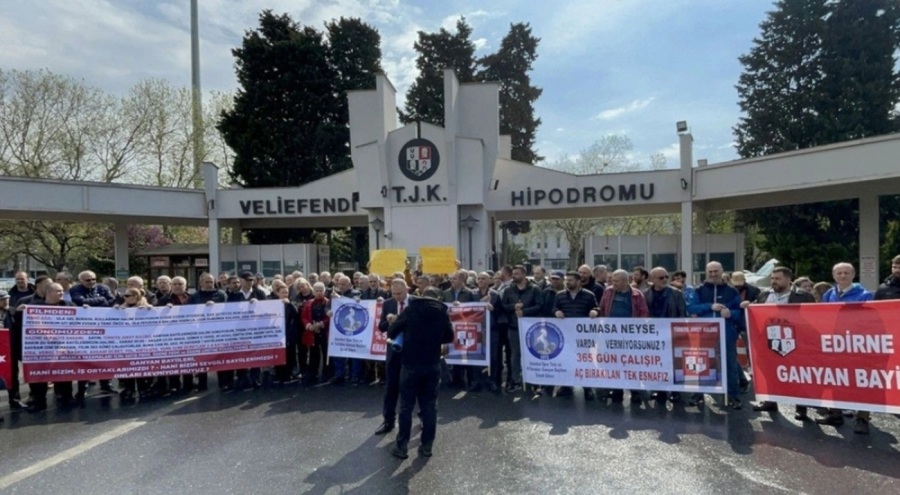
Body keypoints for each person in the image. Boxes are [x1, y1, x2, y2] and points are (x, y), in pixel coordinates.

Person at [387, 287, 453, 459]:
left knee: (406, 406)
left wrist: (402, 327)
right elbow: (449, 337)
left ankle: (402, 447)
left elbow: (391, 332)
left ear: (422, 296)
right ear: (438, 298)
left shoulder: (410, 310)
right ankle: (426, 447)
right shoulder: (442, 313)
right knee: (430, 406)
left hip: (410, 364)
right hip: (432, 363)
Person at [751, 266, 816, 419]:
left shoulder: (803, 297)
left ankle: (801, 407)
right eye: (772, 278)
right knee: (769, 372)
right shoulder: (764, 295)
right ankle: (770, 401)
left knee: (797, 374)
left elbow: (812, 318)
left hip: (794, 341)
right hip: (769, 340)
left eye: (778, 278)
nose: (774, 281)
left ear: (788, 279)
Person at [817, 262, 874, 433]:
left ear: (853, 275)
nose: (842, 276)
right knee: (835, 378)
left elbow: (870, 321)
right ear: (834, 276)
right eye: (839, 273)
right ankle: (835, 414)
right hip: (834, 344)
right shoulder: (829, 294)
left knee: (861, 381)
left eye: (846, 273)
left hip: (857, 345)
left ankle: (862, 418)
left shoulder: (865, 295)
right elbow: (821, 317)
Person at [687, 261, 743, 410]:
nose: (713, 274)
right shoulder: (698, 290)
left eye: (716, 271)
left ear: (722, 271)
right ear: (706, 272)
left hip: (726, 332)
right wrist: (709, 306)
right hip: (703, 332)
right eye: (710, 271)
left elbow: (740, 312)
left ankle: (733, 395)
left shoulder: (732, 291)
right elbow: (691, 307)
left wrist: (731, 314)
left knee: (729, 364)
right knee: (701, 363)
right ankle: (698, 394)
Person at [21, 283, 76, 411]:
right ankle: (39, 402)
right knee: (39, 375)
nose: (62, 293)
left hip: (62, 347)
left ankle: (66, 398)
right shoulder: (34, 307)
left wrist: (86, 309)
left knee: (64, 373)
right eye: (58, 291)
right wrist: (19, 311)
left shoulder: (69, 305)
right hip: (41, 348)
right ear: (48, 293)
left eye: (62, 291)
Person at [598, 269, 650, 403]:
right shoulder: (608, 291)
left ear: (625, 281)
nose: (613, 283)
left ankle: (635, 391)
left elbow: (644, 313)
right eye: (612, 280)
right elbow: (602, 308)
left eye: (616, 281)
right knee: (613, 363)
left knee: (632, 364)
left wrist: (636, 329)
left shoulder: (637, 295)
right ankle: (617, 390)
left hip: (630, 336)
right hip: (611, 335)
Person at [70, 270, 117, 396]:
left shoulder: (103, 288)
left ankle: (106, 384)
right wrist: (101, 300)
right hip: (85, 329)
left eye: (93, 279)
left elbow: (112, 300)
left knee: (104, 357)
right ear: (80, 281)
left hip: (104, 328)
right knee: (85, 358)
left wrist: (93, 303)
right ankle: (82, 387)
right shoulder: (75, 289)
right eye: (88, 280)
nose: (91, 282)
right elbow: (80, 301)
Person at [374, 279, 412, 435]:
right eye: (394, 293)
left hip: (411, 351)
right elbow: (381, 327)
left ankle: (423, 418)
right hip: (394, 352)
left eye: (400, 294)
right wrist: (389, 322)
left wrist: (403, 321)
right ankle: (388, 421)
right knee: (391, 388)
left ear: (406, 289)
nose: (397, 297)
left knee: (415, 388)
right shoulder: (388, 303)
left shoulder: (416, 302)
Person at [552, 271, 599, 399]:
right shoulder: (560, 295)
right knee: (567, 360)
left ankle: (587, 387)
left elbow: (596, 307)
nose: (568, 282)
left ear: (578, 282)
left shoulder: (589, 295)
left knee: (584, 361)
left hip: (582, 336)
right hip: (566, 334)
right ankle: (566, 385)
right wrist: (556, 312)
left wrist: (594, 311)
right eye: (567, 280)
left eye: (571, 280)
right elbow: (554, 307)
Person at [643, 267, 687, 402]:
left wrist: (679, 332)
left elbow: (682, 314)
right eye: (661, 277)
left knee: (674, 363)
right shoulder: (645, 294)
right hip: (653, 334)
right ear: (652, 279)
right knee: (658, 363)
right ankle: (660, 390)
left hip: (671, 333)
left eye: (666, 277)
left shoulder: (676, 293)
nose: (665, 280)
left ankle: (676, 391)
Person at [501, 265, 542, 393]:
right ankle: (516, 380)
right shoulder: (508, 290)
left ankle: (535, 381)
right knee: (515, 355)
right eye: (513, 274)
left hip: (531, 328)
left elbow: (539, 306)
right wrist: (514, 307)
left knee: (533, 354)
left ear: (524, 275)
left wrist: (524, 311)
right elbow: (503, 306)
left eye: (517, 274)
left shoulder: (534, 289)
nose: (514, 276)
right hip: (514, 327)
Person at [228, 271, 267, 389]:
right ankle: (242, 378)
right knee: (240, 353)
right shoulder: (233, 294)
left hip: (255, 328)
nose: (250, 282)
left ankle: (255, 378)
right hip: (239, 329)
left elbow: (267, 309)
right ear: (241, 280)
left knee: (256, 353)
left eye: (252, 280)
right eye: (247, 280)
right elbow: (228, 311)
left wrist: (258, 304)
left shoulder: (259, 293)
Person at [441, 270, 479, 390]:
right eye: (451, 279)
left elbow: (475, 309)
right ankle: (457, 380)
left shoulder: (470, 293)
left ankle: (471, 380)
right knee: (455, 353)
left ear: (462, 280)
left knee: (467, 353)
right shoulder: (446, 293)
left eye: (455, 279)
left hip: (466, 328)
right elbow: (442, 307)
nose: (452, 281)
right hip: (452, 328)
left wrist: (461, 307)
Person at [191, 273, 227, 391]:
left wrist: (215, 307)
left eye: (211, 282)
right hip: (201, 332)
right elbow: (188, 311)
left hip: (218, 331)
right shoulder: (195, 296)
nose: (209, 284)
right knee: (202, 359)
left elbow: (228, 310)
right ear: (201, 283)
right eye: (206, 282)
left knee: (220, 358)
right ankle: (202, 385)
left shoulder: (221, 294)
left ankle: (223, 383)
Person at [117, 288, 154, 401]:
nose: (125, 298)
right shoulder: (121, 308)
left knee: (140, 367)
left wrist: (149, 310)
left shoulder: (147, 308)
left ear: (136, 296)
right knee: (127, 367)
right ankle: (129, 389)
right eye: (125, 296)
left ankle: (142, 389)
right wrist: (116, 310)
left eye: (128, 296)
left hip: (141, 343)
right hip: (126, 343)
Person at [300, 282, 331, 386]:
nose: (319, 293)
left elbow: (330, 317)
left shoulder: (328, 302)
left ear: (324, 291)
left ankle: (327, 374)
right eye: (316, 291)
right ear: (313, 291)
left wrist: (322, 323)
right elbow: (303, 317)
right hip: (313, 332)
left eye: (321, 290)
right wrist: (308, 325)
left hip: (325, 332)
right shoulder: (309, 303)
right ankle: (313, 374)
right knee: (313, 354)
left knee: (326, 353)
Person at [272, 283, 300, 385]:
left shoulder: (291, 304)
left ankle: (288, 376)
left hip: (288, 334)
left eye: (286, 293)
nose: (285, 294)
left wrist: (290, 304)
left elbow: (296, 314)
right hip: (276, 334)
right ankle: (279, 375)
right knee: (278, 355)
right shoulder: (273, 304)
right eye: (283, 293)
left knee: (289, 355)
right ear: (278, 293)